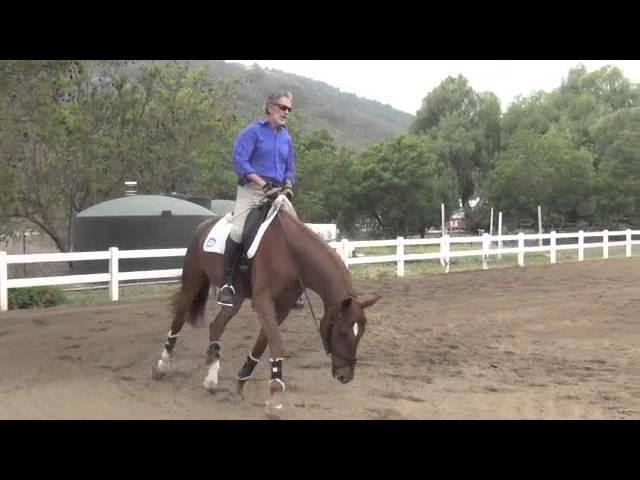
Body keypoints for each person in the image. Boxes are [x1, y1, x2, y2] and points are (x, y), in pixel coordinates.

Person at [217, 91, 296, 307]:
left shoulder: (286, 138)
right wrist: (263, 185)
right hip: (252, 190)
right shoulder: (251, 132)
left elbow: (290, 168)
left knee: (294, 231)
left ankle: (290, 286)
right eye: (282, 107)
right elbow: (240, 161)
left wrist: (288, 184)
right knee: (239, 231)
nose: (286, 112)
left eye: (289, 109)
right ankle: (227, 284)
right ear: (270, 107)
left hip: (277, 192)